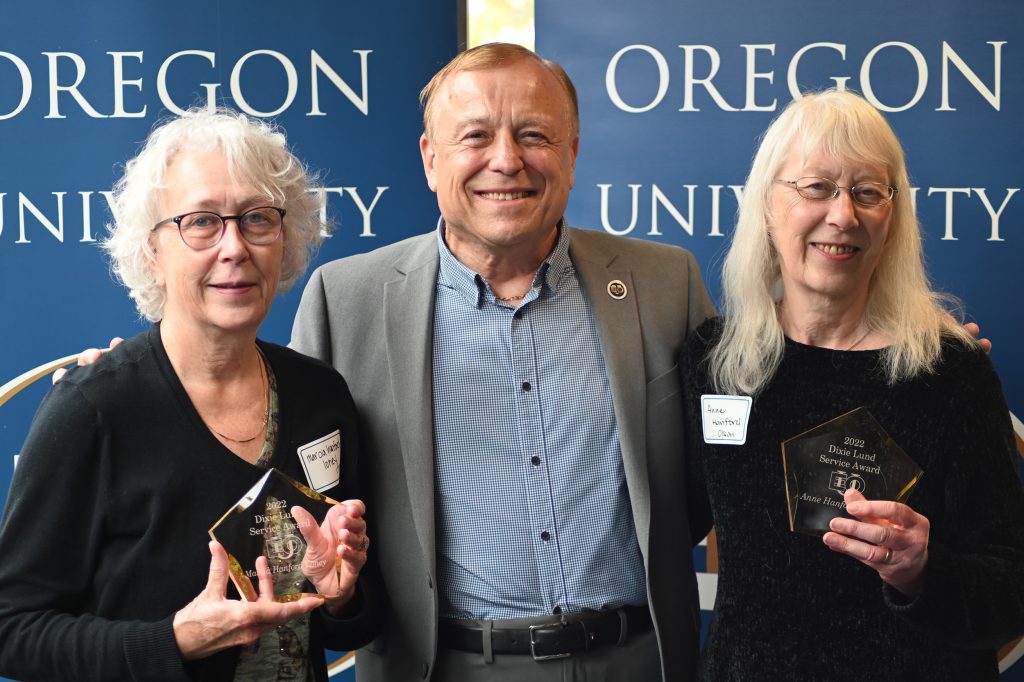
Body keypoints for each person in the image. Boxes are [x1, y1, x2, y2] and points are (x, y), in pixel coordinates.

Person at [291, 43, 715, 681]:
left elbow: (713, 482)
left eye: (534, 135)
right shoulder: (343, 299)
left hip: (635, 661)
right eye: (475, 136)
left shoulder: (666, 285)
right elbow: (305, 506)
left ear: (572, 157)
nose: (507, 160)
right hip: (440, 666)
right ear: (431, 160)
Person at [0, 109, 381, 681]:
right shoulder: (94, 409)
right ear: (152, 253)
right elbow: (11, 628)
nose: (234, 247)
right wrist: (172, 641)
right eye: (201, 221)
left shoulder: (319, 396)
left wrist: (340, 595)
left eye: (257, 218)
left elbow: (346, 625)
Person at [680, 89, 1024, 680]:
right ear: (767, 205)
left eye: (868, 192)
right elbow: (657, 520)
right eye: (816, 187)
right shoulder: (713, 362)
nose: (842, 215)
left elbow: (1011, 586)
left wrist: (923, 570)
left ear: (893, 218)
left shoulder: (949, 371)